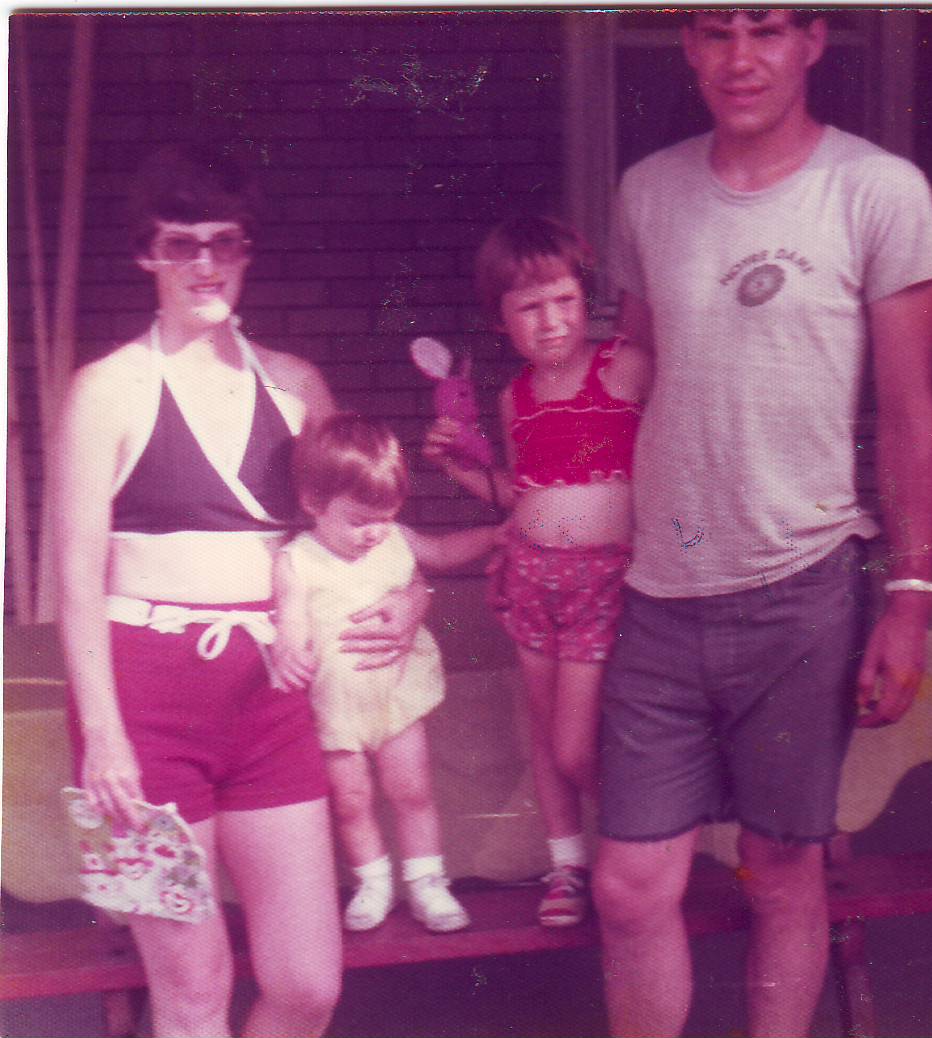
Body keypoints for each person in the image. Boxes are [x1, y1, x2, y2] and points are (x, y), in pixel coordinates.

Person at [592, 10, 932, 1038]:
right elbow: (640, 365)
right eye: (713, 32)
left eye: (766, 28)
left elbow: (910, 412)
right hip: (660, 592)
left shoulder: (877, 192)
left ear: (813, 42)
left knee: (783, 870)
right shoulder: (649, 190)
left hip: (804, 588)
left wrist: (911, 602)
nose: (738, 58)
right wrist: (538, 439)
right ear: (688, 49)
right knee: (629, 885)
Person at [53, 142, 426, 1038]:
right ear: (147, 253)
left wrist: (412, 603)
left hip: (270, 702)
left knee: (306, 983)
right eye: (182, 244)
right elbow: (72, 579)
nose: (207, 264)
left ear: (249, 251)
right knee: (191, 993)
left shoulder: (297, 388)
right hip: (144, 714)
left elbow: (366, 533)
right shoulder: (105, 391)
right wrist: (104, 735)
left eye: (226, 242)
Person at [424, 216, 652, 926]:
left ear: (586, 300)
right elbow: (523, 496)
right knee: (544, 728)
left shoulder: (624, 365)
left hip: (603, 582)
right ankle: (567, 866)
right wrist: (468, 472)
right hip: (529, 575)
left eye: (564, 301)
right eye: (529, 307)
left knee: (574, 742)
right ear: (500, 321)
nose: (551, 321)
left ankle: (637, 838)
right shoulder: (512, 399)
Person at [272, 414, 502, 934]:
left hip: (396, 696)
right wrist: (288, 648)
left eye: (386, 516)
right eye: (357, 520)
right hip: (334, 705)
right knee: (351, 801)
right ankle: (373, 882)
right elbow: (288, 620)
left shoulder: (392, 539)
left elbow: (442, 554)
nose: (373, 532)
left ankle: (427, 883)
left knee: (411, 790)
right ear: (313, 504)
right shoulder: (298, 561)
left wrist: (495, 535)